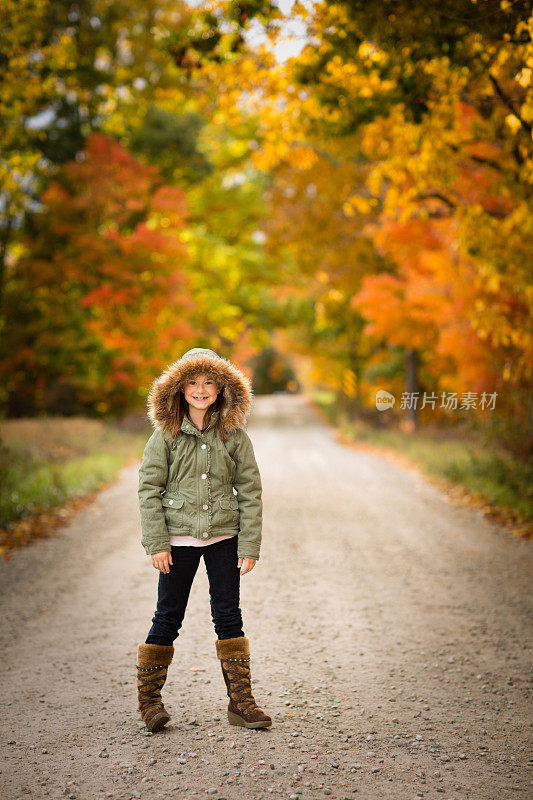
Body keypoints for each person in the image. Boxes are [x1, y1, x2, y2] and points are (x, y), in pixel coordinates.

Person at [136, 347, 272, 733]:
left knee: (229, 616)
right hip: (177, 541)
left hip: (224, 538)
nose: (200, 389)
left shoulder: (234, 435)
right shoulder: (165, 435)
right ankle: (150, 701)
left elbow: (250, 490)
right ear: (179, 389)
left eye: (209, 382)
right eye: (192, 382)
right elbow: (148, 488)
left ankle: (241, 702)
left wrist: (249, 546)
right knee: (167, 617)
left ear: (221, 388)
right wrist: (157, 541)